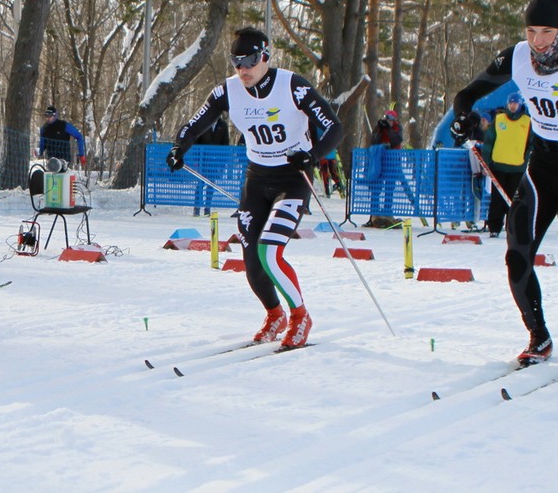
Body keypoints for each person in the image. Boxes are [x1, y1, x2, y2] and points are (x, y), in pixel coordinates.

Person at [450, 0, 558, 366]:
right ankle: (538, 336)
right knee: (517, 256)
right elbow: (467, 94)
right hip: (542, 167)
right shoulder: (516, 57)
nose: (537, 41)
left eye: (546, 32)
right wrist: (465, 118)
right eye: (531, 31)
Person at [167, 26, 343, 349]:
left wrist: (313, 155)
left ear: (264, 56)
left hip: (292, 180)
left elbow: (334, 126)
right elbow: (196, 123)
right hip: (257, 180)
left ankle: (300, 316)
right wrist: (180, 147)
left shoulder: (293, 86)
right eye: (236, 62)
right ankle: (274, 314)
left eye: (249, 61)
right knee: (252, 262)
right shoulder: (229, 91)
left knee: (270, 252)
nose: (243, 70)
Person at [482, 92, 532, 238]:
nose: (513, 106)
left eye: (515, 103)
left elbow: (531, 144)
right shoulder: (499, 119)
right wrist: (486, 162)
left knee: (515, 199)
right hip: (498, 166)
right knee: (497, 199)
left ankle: (514, 227)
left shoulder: (527, 121)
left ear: (520, 104)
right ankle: (494, 227)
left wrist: (526, 159)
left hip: (517, 167)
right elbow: (489, 142)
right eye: (511, 103)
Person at [364, 109, 403, 228]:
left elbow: (396, 141)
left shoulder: (397, 128)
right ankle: (374, 214)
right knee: (376, 187)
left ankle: (387, 213)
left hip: (393, 162)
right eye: (387, 119)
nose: (389, 122)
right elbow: (374, 141)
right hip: (379, 162)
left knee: (389, 188)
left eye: (391, 120)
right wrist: (381, 130)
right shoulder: (378, 128)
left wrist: (389, 129)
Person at [191, 112, 230, 216]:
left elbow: (226, 144)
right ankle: (196, 208)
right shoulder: (203, 123)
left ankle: (207, 209)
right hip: (202, 161)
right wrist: (196, 160)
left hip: (215, 162)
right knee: (200, 185)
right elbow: (196, 142)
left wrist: (222, 163)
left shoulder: (223, 125)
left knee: (211, 186)